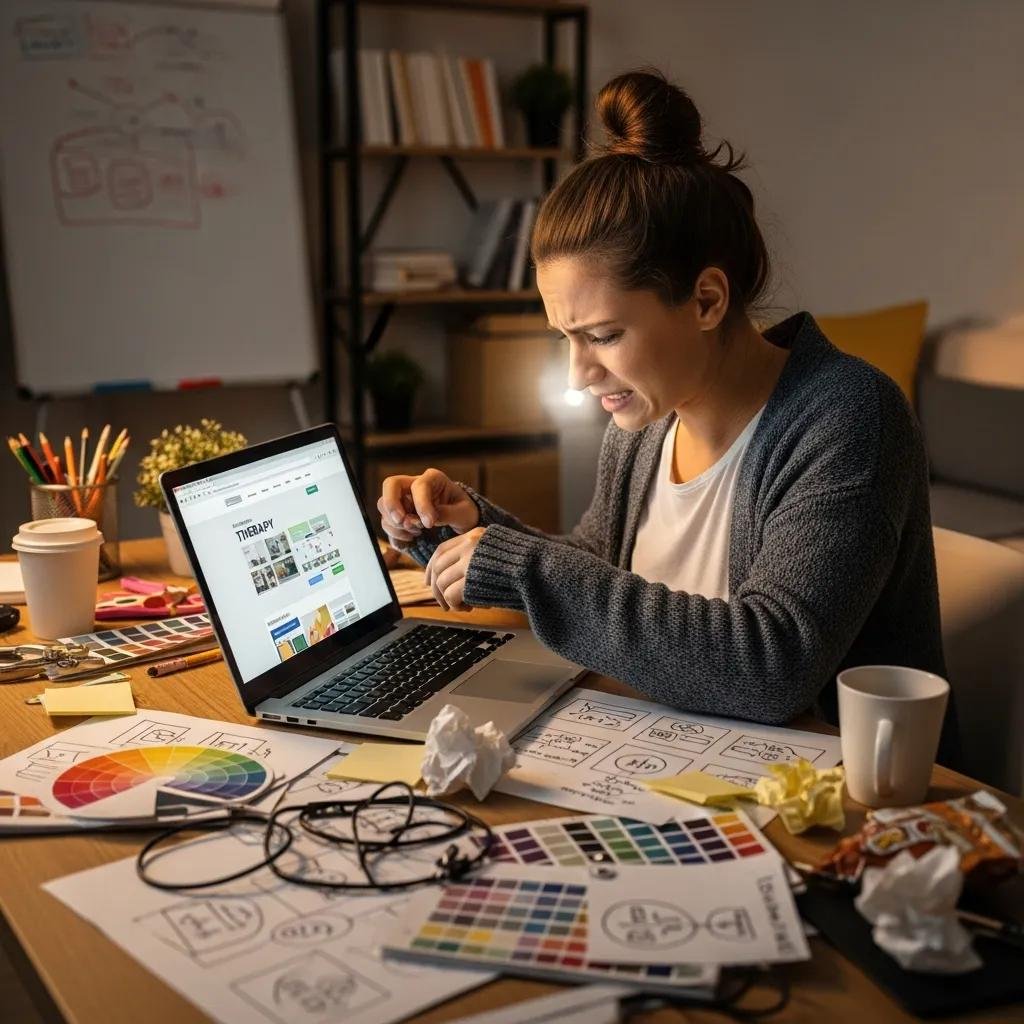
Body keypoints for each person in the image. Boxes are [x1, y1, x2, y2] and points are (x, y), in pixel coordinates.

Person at [378, 70, 956, 757]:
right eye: (566, 337)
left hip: (838, 797)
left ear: (708, 300)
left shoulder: (850, 417)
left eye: (603, 335)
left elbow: (771, 666)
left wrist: (522, 567)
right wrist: (470, 531)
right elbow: (599, 565)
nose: (580, 373)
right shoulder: (650, 421)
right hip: (679, 757)